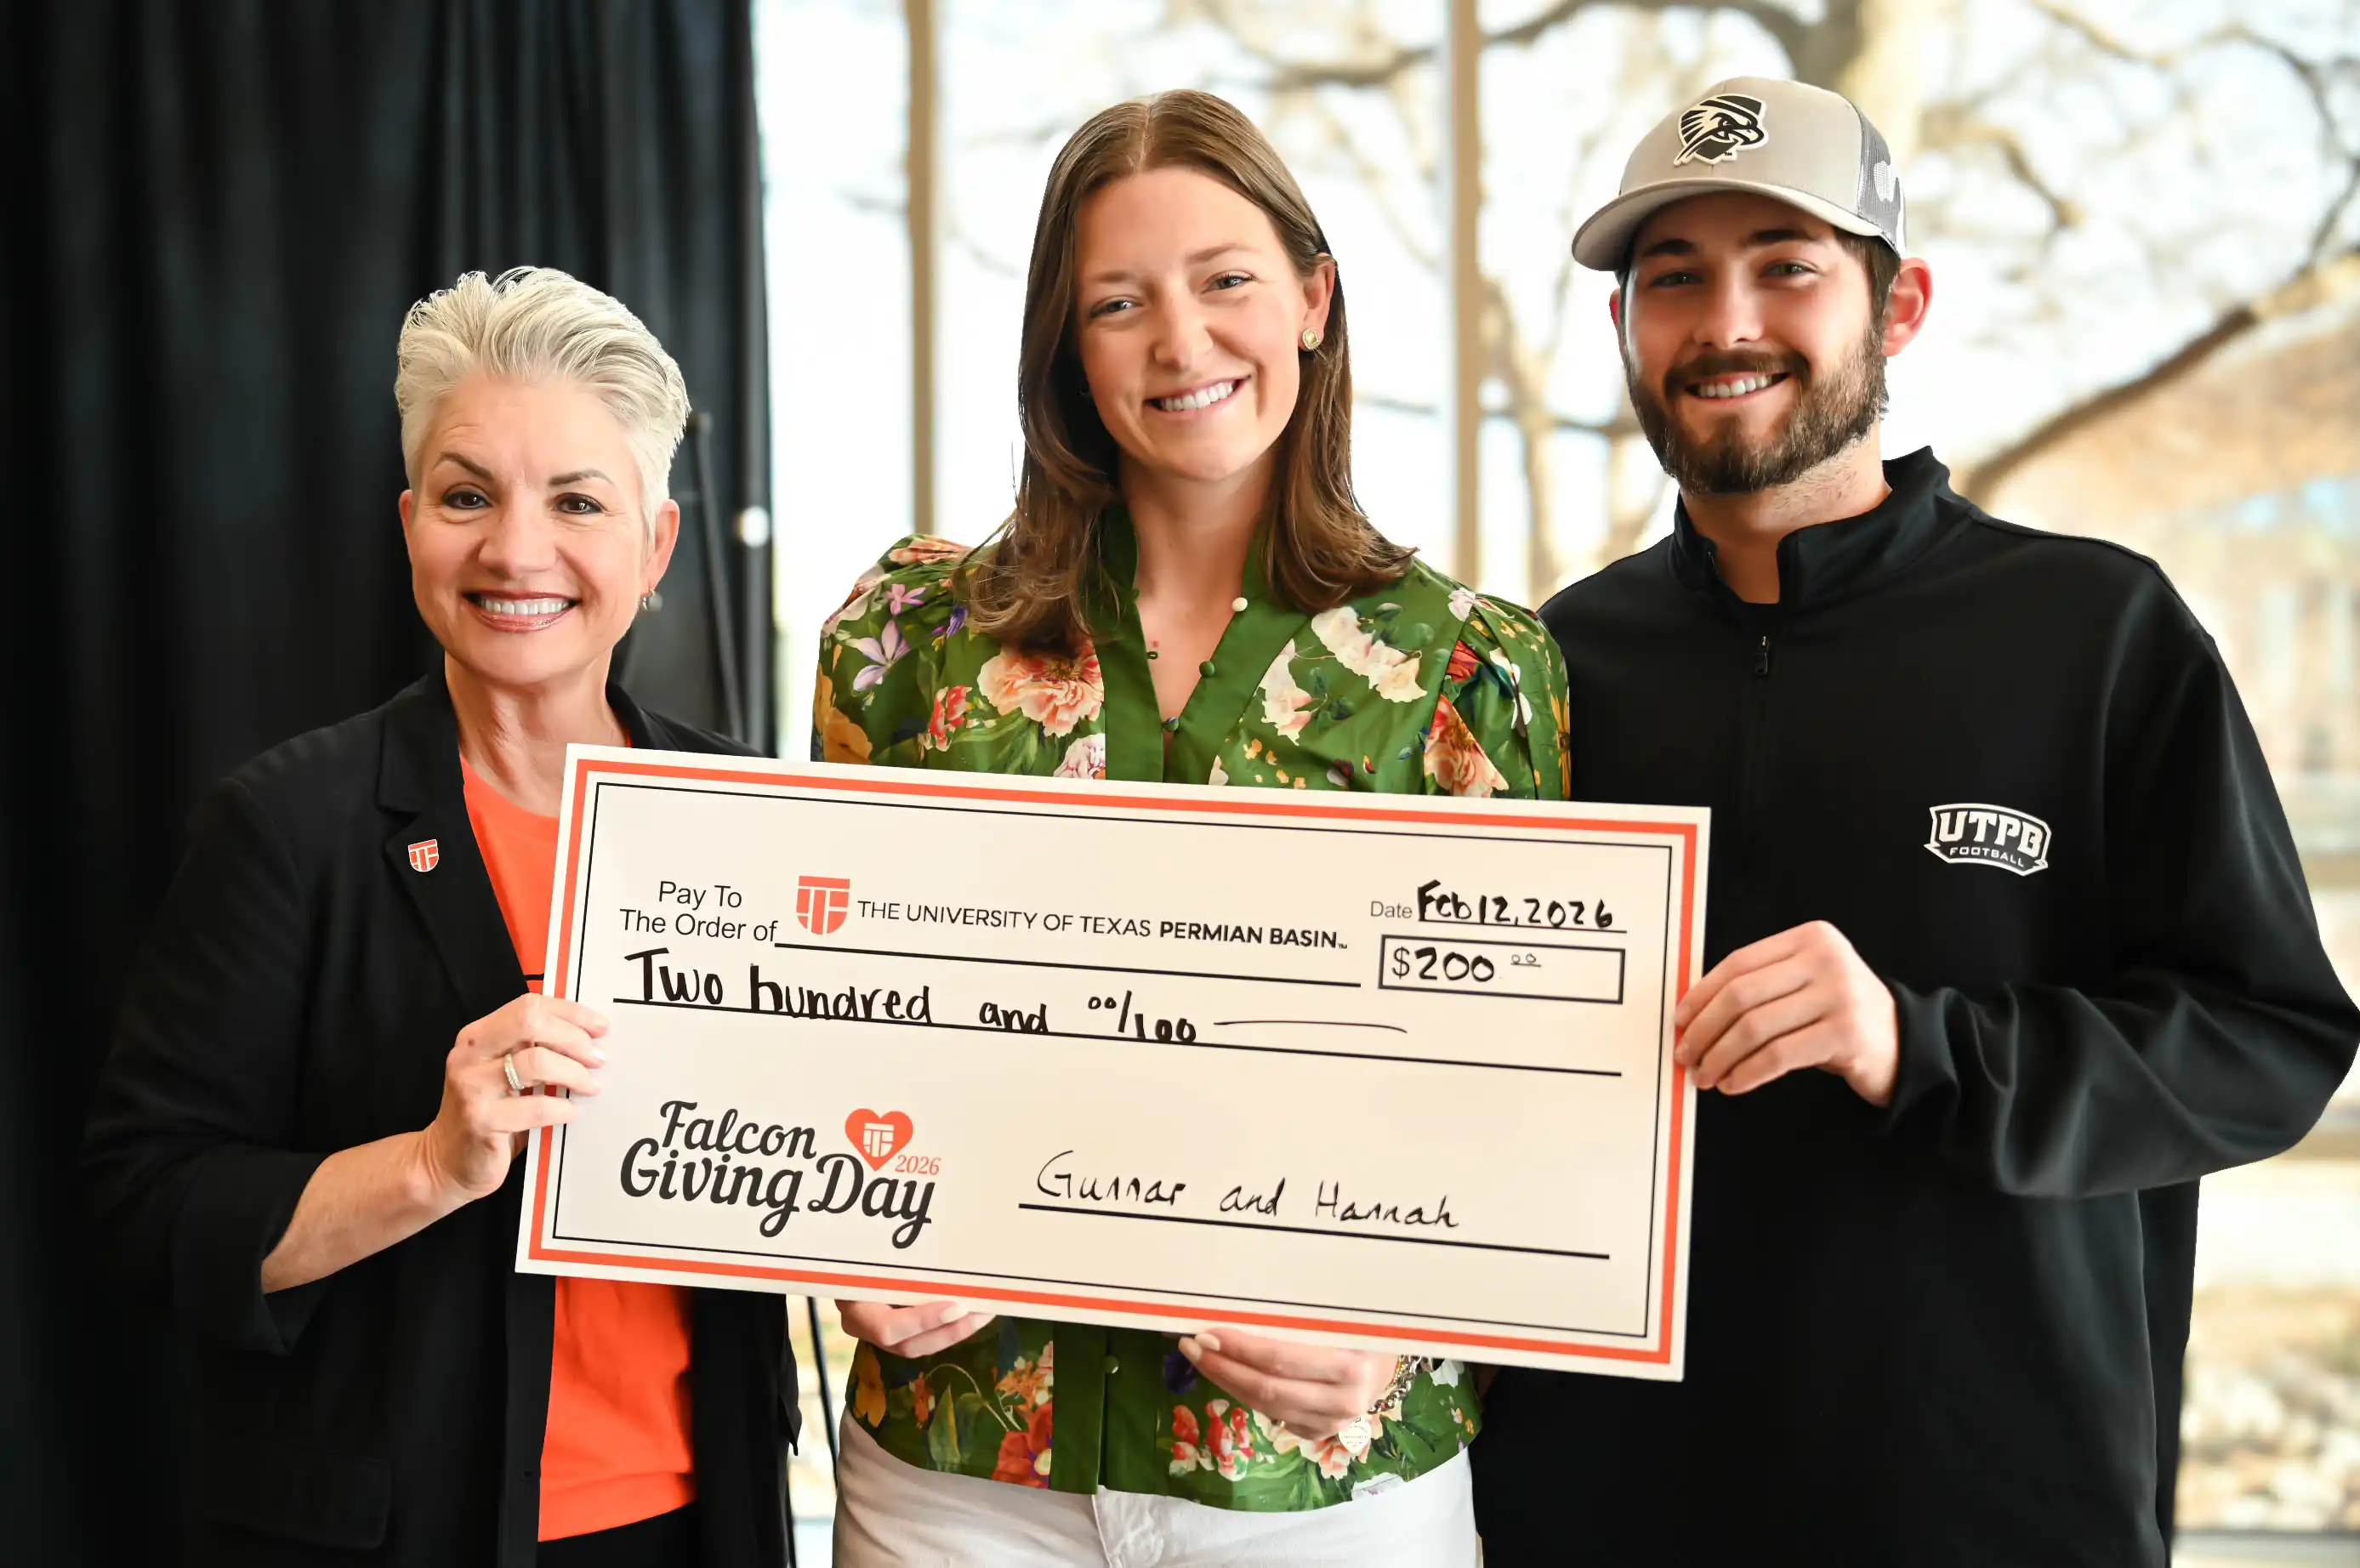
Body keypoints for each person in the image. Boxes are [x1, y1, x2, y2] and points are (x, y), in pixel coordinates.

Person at [1468, 76, 2360, 1565]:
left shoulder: (2091, 630)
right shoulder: (1554, 664)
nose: (1724, 319)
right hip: (1602, 1507)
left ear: (1898, 308)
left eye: (1786, 264)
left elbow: (2266, 1042)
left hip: (1996, 1503)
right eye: (1670, 279)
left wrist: (1918, 1044)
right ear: (1624, 327)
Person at [810, 88, 1568, 1566]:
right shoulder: (909, 637)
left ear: (1311, 294)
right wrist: (854, 1225)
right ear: (1063, 345)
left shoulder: (1473, 668)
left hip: (1326, 1482)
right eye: (1117, 302)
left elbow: (1526, 1090)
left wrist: (1403, 1327)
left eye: (1224, 280)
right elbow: (827, 1008)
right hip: (958, 1471)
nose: (1180, 343)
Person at [82, 268, 797, 1568]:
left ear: (656, 548)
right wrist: (429, 1165)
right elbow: (146, 1209)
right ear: (412, 526)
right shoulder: (287, 827)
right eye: (468, 496)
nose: (516, 550)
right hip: (392, 1538)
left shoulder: (747, 814)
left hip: (708, 1517)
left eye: (577, 501)